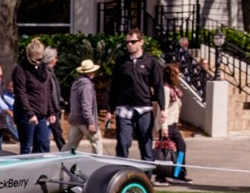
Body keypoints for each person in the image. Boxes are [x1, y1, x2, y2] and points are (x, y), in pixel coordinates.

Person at [106, 28, 163, 160]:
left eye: (133, 42)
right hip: (124, 108)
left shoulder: (150, 62)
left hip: (144, 108)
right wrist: (110, 109)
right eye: (127, 42)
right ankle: (122, 175)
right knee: (123, 143)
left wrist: (163, 108)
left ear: (141, 42)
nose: (129, 45)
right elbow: (114, 86)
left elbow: (158, 85)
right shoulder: (121, 62)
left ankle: (146, 177)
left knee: (146, 144)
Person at [10, 38, 57, 154]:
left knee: (44, 144)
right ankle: (23, 171)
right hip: (26, 115)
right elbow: (21, 94)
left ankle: (41, 169)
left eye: (40, 59)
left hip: (41, 114)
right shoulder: (20, 70)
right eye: (34, 60)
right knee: (27, 146)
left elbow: (46, 91)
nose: (37, 62)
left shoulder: (43, 69)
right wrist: (30, 113)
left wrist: (51, 111)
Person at [157, 62, 189, 184]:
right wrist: (163, 127)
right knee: (164, 151)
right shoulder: (165, 90)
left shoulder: (173, 89)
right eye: (177, 73)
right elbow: (162, 108)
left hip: (173, 124)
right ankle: (160, 176)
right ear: (171, 75)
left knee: (181, 146)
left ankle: (178, 173)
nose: (179, 75)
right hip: (166, 124)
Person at [65, 59, 103, 154]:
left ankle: (59, 162)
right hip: (84, 121)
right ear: (92, 72)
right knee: (97, 143)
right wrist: (90, 122)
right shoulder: (87, 85)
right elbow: (86, 105)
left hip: (75, 119)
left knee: (70, 146)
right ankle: (98, 164)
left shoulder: (76, 83)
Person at [42, 46, 66, 149]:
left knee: (56, 132)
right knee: (57, 132)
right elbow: (49, 93)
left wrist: (60, 101)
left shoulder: (51, 72)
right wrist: (53, 109)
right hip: (50, 109)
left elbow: (55, 91)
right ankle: (65, 151)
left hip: (53, 107)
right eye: (55, 57)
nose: (57, 60)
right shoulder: (46, 73)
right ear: (51, 59)